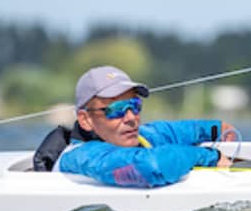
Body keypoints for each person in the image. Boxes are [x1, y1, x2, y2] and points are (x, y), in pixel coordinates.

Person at [42, 65, 234, 187]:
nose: (131, 117)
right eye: (117, 109)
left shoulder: (132, 136)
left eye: (135, 106)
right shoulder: (81, 155)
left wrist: (214, 129)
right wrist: (209, 156)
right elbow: (151, 166)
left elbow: (167, 132)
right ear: (86, 120)